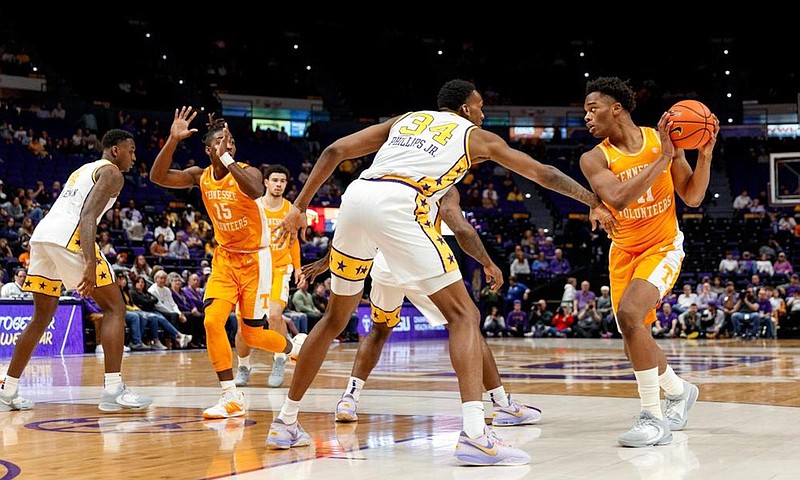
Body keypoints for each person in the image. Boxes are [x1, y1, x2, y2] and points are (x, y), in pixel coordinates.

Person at [270, 79, 616, 465]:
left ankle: (285, 422)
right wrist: (593, 200)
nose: (483, 113)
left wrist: (299, 206)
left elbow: (335, 150)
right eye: (481, 106)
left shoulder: (407, 119)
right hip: (401, 204)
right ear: (467, 108)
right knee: (464, 315)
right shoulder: (474, 135)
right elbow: (544, 174)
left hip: (356, 196)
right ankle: (474, 434)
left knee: (334, 318)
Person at [301, 186, 542, 428]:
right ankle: (501, 404)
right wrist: (488, 263)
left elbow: (355, 226)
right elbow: (458, 227)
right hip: (420, 260)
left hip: (384, 263)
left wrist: (325, 261)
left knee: (379, 330)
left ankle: (349, 399)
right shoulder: (443, 184)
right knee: (465, 324)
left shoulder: (390, 181)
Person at [578, 76, 717, 447]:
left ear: (617, 108)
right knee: (632, 337)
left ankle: (652, 417)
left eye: (593, 109)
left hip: (662, 246)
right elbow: (618, 198)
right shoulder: (594, 158)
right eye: (585, 112)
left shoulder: (661, 140)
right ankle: (678, 390)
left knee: (628, 315)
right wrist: (662, 161)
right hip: (623, 250)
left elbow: (692, 196)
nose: (587, 118)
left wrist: (703, 155)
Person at [150, 107, 305, 419]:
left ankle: (294, 348)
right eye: (221, 142)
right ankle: (230, 396)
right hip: (225, 259)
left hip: (256, 261)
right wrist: (172, 139)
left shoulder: (249, 172)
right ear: (208, 150)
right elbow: (157, 176)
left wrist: (228, 160)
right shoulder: (199, 176)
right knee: (211, 321)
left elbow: (255, 190)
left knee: (252, 336)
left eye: (231, 141)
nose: (228, 145)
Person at [0, 129, 152, 412]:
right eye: (131, 149)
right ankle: (113, 389)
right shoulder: (112, 173)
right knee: (115, 308)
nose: (134, 156)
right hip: (70, 236)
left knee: (41, 318)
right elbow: (88, 216)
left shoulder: (84, 169)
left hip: (43, 237)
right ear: (115, 150)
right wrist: (90, 263)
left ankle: (7, 389)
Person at [233, 165, 303, 389]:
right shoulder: (254, 206)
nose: (279, 184)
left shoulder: (291, 209)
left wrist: (299, 268)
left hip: (280, 269)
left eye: (283, 181)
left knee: (275, 315)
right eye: (275, 180)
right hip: (253, 270)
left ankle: (280, 359)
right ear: (265, 182)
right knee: (243, 324)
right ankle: (244, 366)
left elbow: (294, 240)